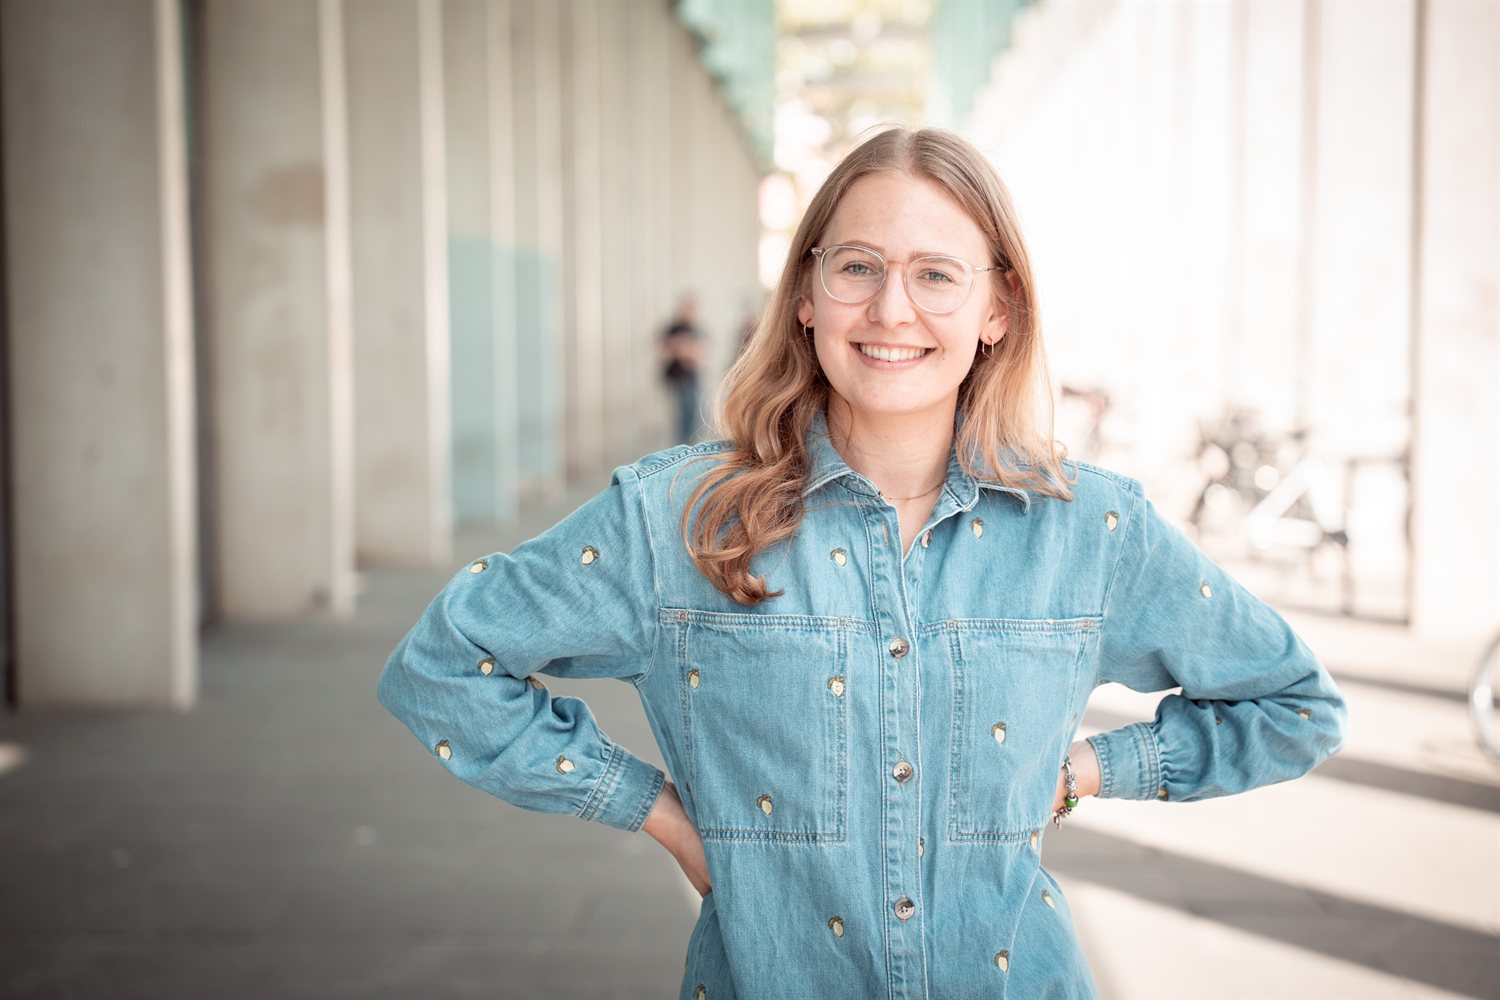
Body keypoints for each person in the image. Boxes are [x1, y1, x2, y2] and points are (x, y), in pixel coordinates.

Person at [378, 127, 1347, 999]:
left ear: (999, 305)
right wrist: (663, 816)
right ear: (805, 293)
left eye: (936, 274)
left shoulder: (1089, 528)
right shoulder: (675, 518)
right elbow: (445, 665)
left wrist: (1091, 766)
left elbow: (1294, 703)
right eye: (857, 267)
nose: (891, 309)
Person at [661, 295, 705, 443]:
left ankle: (689, 443)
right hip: (678, 376)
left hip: (692, 376)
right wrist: (683, 350)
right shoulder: (674, 328)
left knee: (695, 412)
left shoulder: (694, 328)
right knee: (684, 412)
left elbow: (700, 352)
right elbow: (667, 349)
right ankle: (682, 444)